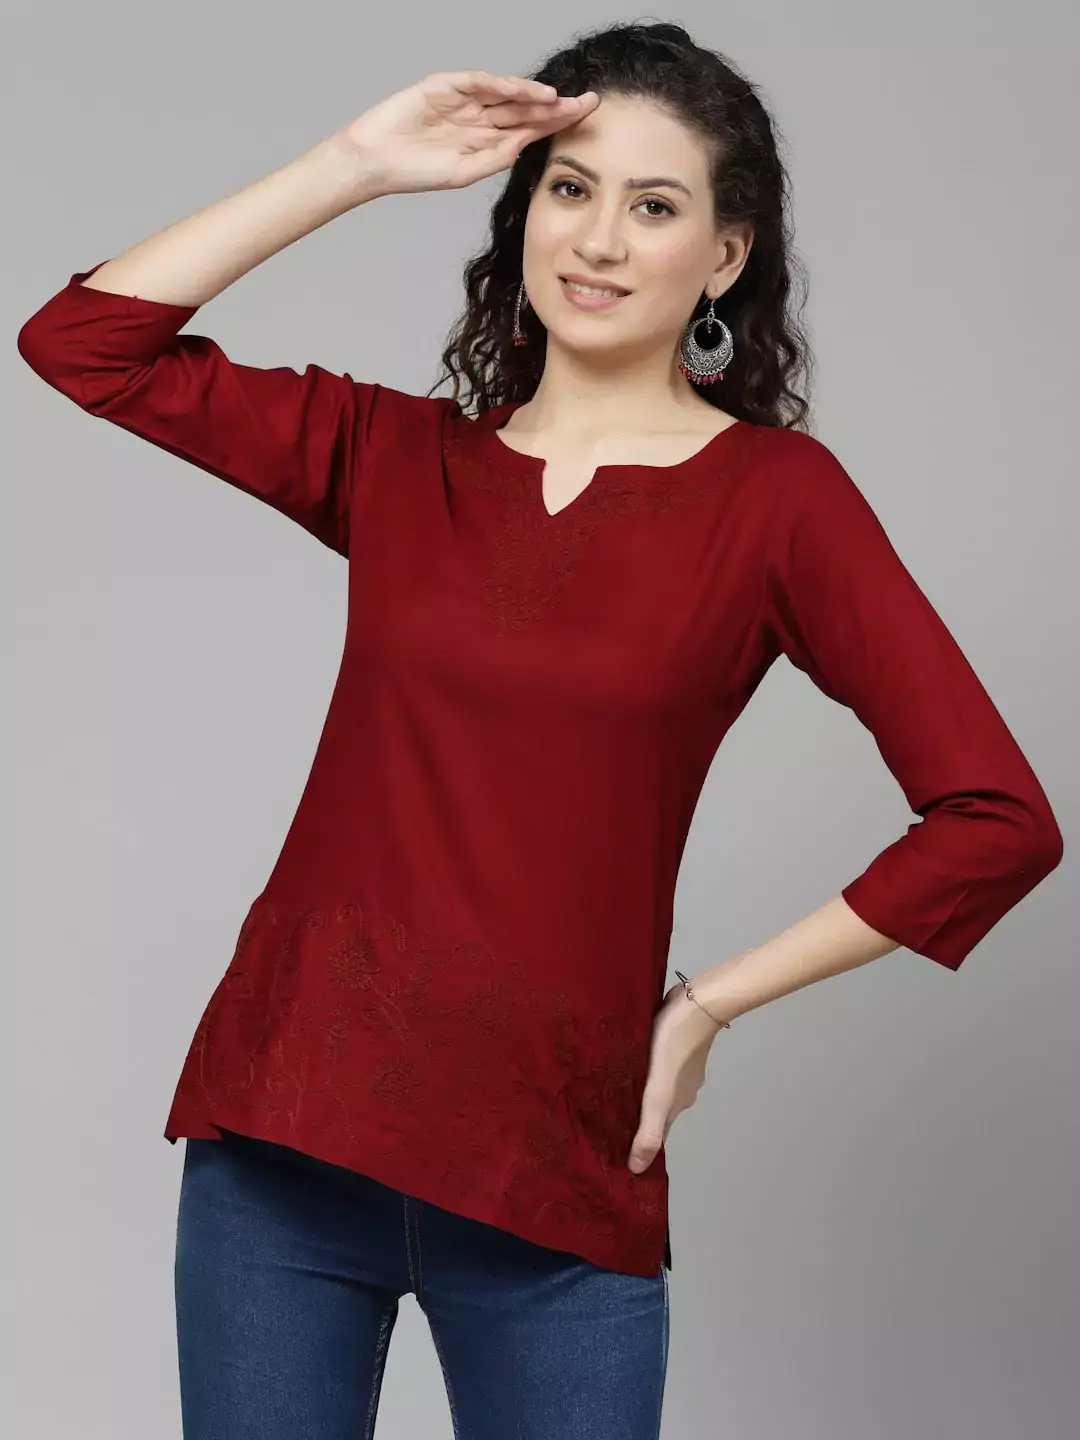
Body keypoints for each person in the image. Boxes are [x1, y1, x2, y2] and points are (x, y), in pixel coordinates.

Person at [16, 20, 1064, 1440]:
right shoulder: (397, 459)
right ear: (521, 213)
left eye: (655, 205)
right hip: (287, 1139)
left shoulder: (776, 504)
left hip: (558, 1172)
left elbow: (998, 819)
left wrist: (709, 1003)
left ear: (726, 256)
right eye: (570, 189)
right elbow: (84, 344)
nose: (601, 240)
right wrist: (355, 163)